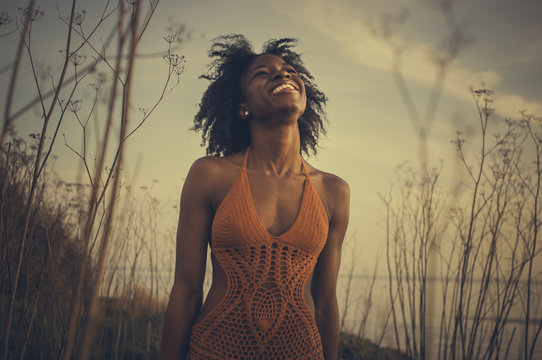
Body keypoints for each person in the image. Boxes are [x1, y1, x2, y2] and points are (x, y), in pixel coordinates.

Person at [160, 35, 350, 360]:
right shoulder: (210, 176)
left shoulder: (333, 191)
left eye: (289, 70)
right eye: (262, 73)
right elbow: (187, 291)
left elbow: (325, 301)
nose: (282, 74)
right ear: (242, 106)